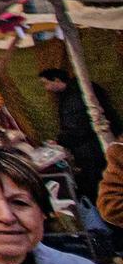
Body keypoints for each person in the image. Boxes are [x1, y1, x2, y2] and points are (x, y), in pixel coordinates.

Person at [44, 67, 111, 206]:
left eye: (46, 83)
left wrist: (59, 141)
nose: (47, 88)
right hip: (98, 142)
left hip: (91, 148)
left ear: (56, 80)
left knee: (99, 180)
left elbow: (78, 128)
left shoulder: (74, 97)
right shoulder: (77, 90)